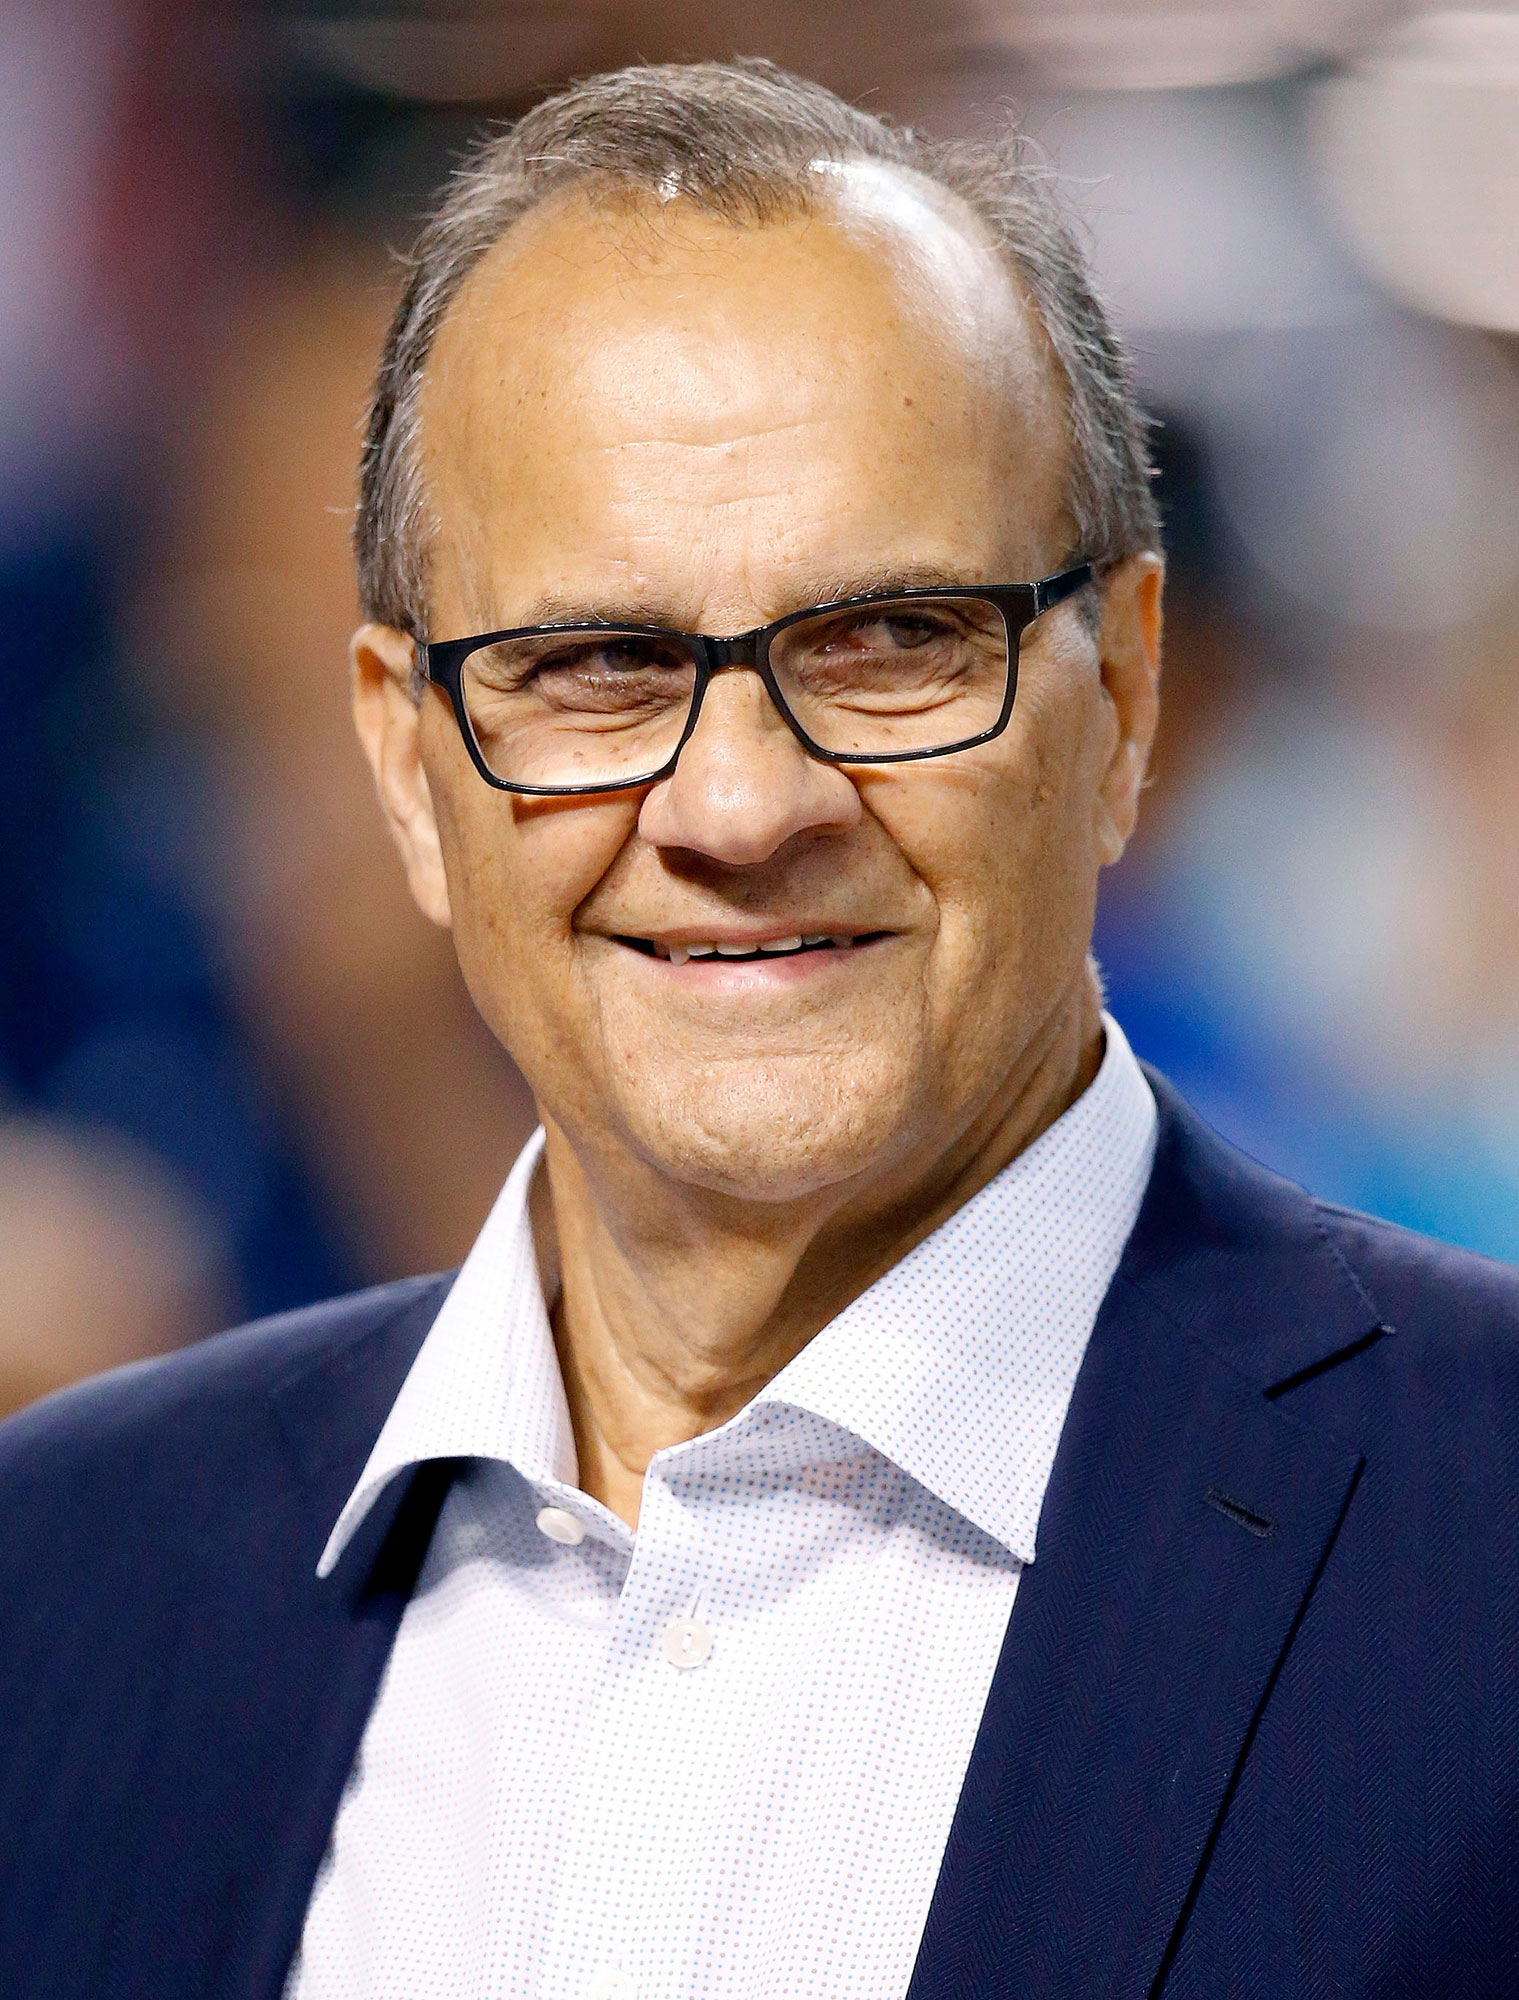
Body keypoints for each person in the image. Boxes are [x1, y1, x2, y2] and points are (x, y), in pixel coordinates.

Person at [2, 59, 1516, 2000]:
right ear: (407, 761)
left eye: (890, 640)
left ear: (1124, 693)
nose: (736, 806)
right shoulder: (61, 1579)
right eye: (595, 664)